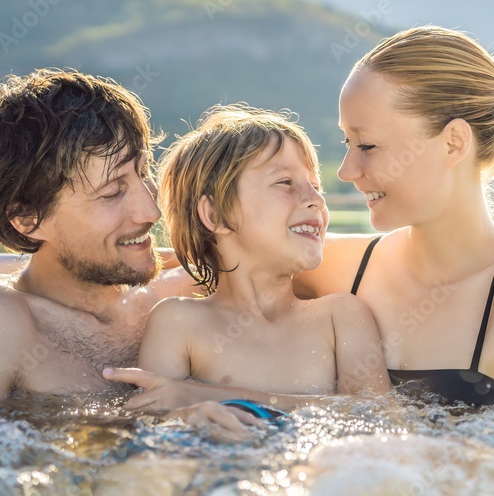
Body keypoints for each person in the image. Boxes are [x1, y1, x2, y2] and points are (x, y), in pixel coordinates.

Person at [108, 26, 494, 412]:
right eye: (345, 143)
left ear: (453, 143)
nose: (346, 171)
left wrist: (211, 396)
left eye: (368, 146)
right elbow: (204, 265)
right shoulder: (333, 267)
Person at [0, 70, 256, 434]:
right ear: (26, 217)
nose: (151, 212)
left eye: (143, 174)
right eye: (112, 192)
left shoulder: (192, 287)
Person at [138, 105, 389, 401]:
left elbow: (379, 417)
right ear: (216, 215)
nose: (317, 200)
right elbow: (155, 426)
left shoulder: (340, 318)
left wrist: (202, 396)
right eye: (285, 182)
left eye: (315, 185)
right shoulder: (178, 322)